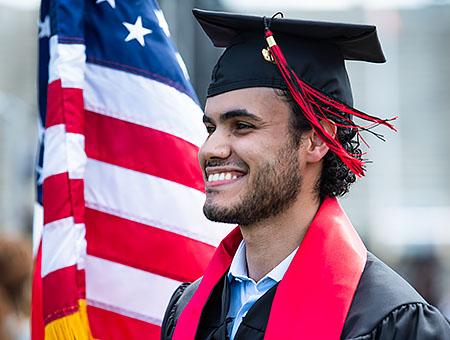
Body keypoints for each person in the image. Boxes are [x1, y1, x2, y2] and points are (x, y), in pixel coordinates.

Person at [161, 9, 450, 340]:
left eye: (242, 126)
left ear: (316, 139)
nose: (212, 148)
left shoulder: (390, 323)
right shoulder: (189, 310)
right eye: (211, 128)